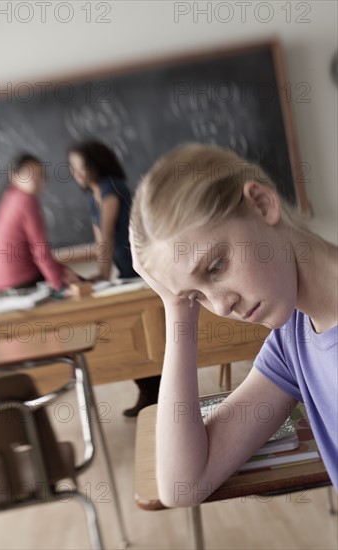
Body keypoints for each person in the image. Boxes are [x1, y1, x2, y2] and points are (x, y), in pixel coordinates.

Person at [129, 143, 338, 506]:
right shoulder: (292, 340)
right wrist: (177, 306)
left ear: (262, 204)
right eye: (198, 296)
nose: (222, 305)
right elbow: (183, 485)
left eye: (215, 267)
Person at [68, 140, 161, 417]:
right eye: (72, 169)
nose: (77, 174)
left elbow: (107, 234)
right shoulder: (91, 195)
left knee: (145, 331)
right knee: (130, 329)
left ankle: (152, 392)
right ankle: (149, 391)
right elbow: (100, 242)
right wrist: (101, 275)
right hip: (125, 270)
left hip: (142, 267)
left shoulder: (112, 187)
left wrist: (104, 273)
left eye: (80, 167)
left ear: (95, 164)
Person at [0, 154, 79, 297]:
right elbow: (40, 251)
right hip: (20, 282)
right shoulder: (26, 200)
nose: (37, 179)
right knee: (77, 285)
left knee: (67, 275)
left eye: (40, 174)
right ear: (13, 176)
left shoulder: (9, 196)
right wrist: (59, 286)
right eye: (29, 174)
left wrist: (61, 271)